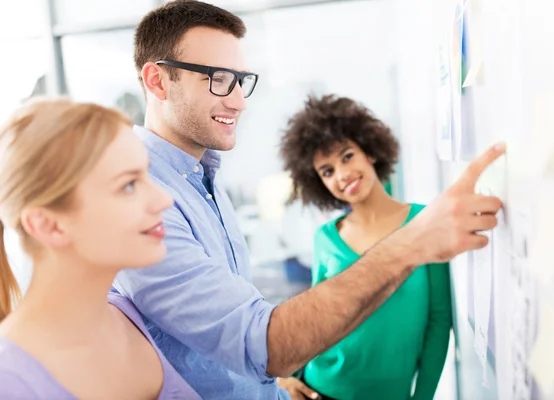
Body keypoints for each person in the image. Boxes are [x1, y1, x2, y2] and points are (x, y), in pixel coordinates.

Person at [113, 1, 504, 399]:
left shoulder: (205, 180)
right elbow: (263, 345)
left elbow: (246, 333)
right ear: (158, 81)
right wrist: (412, 244)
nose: (239, 101)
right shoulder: (137, 200)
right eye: (217, 79)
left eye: (240, 81)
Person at [0, 98, 202, 400]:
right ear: (49, 225)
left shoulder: (130, 315)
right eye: (129, 185)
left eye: (146, 175)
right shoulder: (10, 382)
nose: (164, 200)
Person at [278, 95, 452, 400]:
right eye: (327, 171)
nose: (343, 175)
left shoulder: (425, 223)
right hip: (319, 389)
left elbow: (439, 322)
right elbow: (317, 320)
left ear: (369, 151)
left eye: (347, 156)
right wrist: (284, 378)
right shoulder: (326, 238)